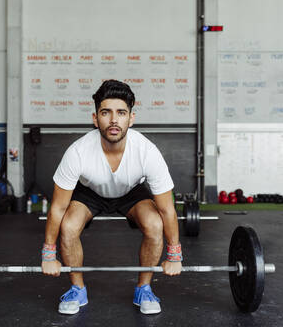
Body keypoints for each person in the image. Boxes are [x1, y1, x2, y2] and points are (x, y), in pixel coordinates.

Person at [42, 80, 182, 315]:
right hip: (90, 192)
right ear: (95, 119)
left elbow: (167, 209)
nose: (114, 120)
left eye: (121, 113)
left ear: (131, 118)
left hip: (131, 192)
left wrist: (175, 254)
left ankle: (144, 288)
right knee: (68, 225)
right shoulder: (77, 152)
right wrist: (48, 254)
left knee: (155, 223)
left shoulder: (147, 152)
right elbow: (57, 208)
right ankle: (77, 289)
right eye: (106, 112)